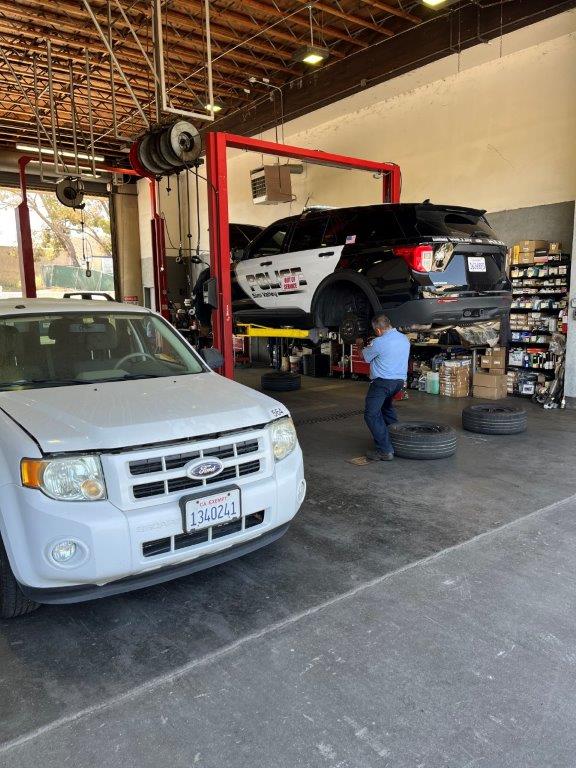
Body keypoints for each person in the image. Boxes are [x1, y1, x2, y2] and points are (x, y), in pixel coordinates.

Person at [359, 313, 410, 461]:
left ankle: (384, 450)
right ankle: (398, 441)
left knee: (371, 414)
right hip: (398, 382)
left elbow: (364, 356)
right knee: (386, 409)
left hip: (382, 383)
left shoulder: (379, 342)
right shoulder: (404, 339)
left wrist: (360, 344)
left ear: (379, 330)